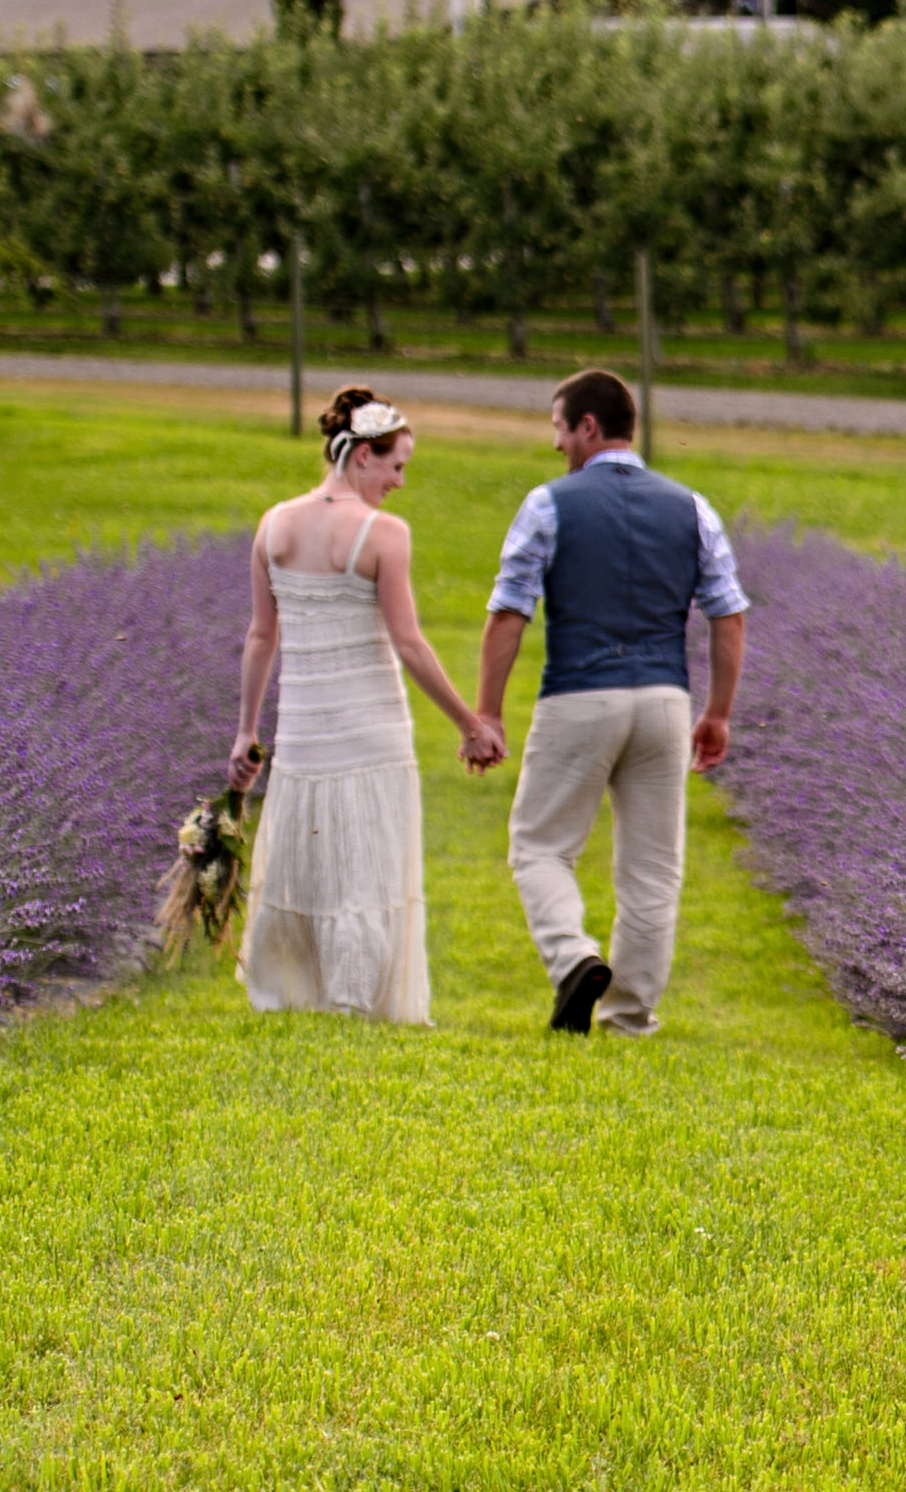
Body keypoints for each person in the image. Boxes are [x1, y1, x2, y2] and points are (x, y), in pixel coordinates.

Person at [475, 370, 750, 1036]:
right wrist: (717, 712)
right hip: (664, 700)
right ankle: (629, 1015)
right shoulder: (692, 507)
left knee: (540, 847)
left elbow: (510, 610)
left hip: (580, 693)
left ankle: (573, 959)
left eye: (559, 429)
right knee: (654, 866)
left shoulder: (549, 504)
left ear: (588, 427)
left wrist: (488, 710)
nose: (557, 444)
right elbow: (728, 614)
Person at [231, 389, 503, 1025]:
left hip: (302, 732)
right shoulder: (384, 533)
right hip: (369, 730)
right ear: (359, 455)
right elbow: (408, 641)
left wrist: (246, 731)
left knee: (312, 865)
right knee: (364, 872)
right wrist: (469, 723)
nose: (400, 483)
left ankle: (298, 991)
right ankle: (354, 997)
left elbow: (259, 636)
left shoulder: (274, 523)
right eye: (396, 466)